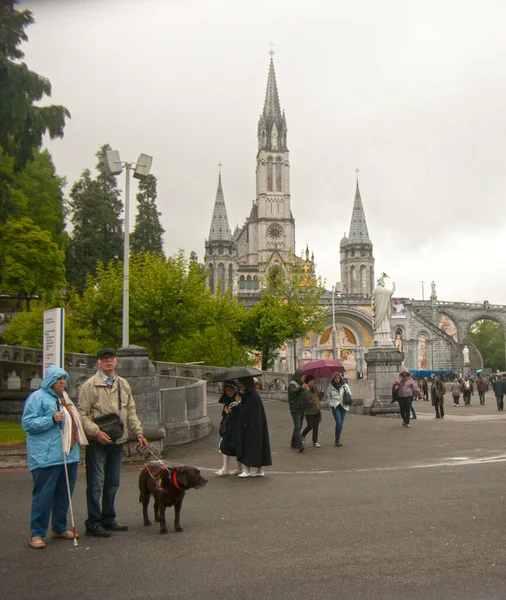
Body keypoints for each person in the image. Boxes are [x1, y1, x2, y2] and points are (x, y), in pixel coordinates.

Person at [78, 348, 148, 537]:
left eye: (111, 359)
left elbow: (131, 411)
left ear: (116, 362)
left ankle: (108, 518)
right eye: (104, 359)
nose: (108, 362)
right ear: (98, 363)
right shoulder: (90, 385)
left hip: (118, 439)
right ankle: (93, 521)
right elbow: (82, 414)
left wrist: (139, 433)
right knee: (96, 483)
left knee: (112, 482)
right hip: (98, 441)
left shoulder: (123, 384)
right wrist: (96, 432)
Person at [22, 366, 88, 549]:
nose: (61, 382)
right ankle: (37, 533)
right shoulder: (37, 398)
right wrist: (50, 419)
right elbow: (28, 423)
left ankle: (59, 527)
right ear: (49, 380)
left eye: (63, 379)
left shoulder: (65, 398)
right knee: (43, 496)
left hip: (68, 454)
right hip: (46, 455)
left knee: (63, 494)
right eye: (57, 379)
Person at [235, 376, 272, 477]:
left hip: (251, 426)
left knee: (249, 446)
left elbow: (247, 411)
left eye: (241, 386)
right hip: (254, 426)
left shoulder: (252, 396)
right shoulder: (251, 395)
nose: (240, 388)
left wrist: (239, 403)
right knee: (257, 446)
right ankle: (258, 469)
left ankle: (248, 469)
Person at [215, 380, 242, 476]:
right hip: (228, 427)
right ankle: (225, 468)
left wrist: (230, 412)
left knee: (237, 446)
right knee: (225, 445)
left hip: (236, 427)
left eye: (230, 389)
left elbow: (240, 414)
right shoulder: (227, 399)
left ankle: (239, 467)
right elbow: (224, 414)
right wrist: (227, 412)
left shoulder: (239, 398)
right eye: (226, 389)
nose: (228, 391)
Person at [326, 372, 352, 446]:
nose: (337, 379)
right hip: (335, 406)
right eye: (335, 378)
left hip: (343, 406)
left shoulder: (345, 385)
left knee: (341, 424)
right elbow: (328, 397)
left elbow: (350, 394)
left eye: (338, 378)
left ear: (340, 378)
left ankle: (338, 438)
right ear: (333, 379)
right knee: (339, 422)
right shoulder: (330, 386)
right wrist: (331, 404)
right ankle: (337, 439)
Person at [287, 370, 308, 452]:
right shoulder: (292, 384)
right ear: (299, 377)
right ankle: (299, 445)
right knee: (298, 427)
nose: (304, 378)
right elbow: (293, 393)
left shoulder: (301, 384)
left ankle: (293, 443)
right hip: (295, 409)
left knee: (298, 427)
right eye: (303, 377)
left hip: (301, 408)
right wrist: (301, 388)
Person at [301, 375, 323, 448]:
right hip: (309, 411)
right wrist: (312, 402)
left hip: (317, 410)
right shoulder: (305, 389)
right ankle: (303, 435)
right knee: (310, 425)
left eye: (313, 380)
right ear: (307, 382)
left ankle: (315, 441)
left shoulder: (315, 388)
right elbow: (306, 399)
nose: (312, 382)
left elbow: (319, 398)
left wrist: (322, 393)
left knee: (316, 427)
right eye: (311, 381)